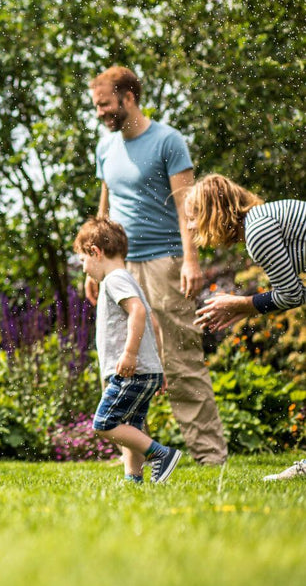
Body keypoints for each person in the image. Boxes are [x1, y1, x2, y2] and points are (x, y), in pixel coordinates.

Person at [88, 66, 228, 465]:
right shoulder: (106, 148)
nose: (100, 113)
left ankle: (209, 455)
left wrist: (191, 261)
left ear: (129, 98)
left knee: (181, 360)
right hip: (119, 267)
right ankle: (136, 455)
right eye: (97, 106)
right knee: (120, 361)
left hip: (165, 263)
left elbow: (188, 208)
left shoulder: (168, 141)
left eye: (105, 105)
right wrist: (96, 265)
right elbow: (104, 210)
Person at [186, 173, 306, 481]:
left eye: (193, 217)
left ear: (213, 212)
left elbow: (291, 295)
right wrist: (243, 309)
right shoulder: (261, 220)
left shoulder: (258, 231)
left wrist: (241, 304)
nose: (190, 227)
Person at [75, 217, 182, 483]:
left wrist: (130, 354)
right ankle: (133, 479)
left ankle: (161, 454)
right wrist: (158, 367)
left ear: (95, 252)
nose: (84, 268)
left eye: (83, 260)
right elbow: (153, 323)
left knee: (105, 423)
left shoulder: (114, 280)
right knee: (131, 425)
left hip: (132, 372)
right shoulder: (127, 279)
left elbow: (138, 312)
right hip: (146, 370)